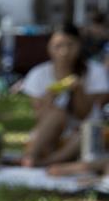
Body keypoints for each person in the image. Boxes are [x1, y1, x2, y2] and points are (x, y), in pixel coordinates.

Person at [20, 22, 109, 167]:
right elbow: (40, 119)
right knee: (57, 113)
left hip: (84, 135)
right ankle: (31, 157)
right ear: (49, 46)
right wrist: (49, 97)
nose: (64, 51)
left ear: (79, 45)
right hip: (50, 135)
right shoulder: (38, 74)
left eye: (70, 45)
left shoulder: (95, 72)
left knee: (84, 133)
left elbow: (84, 115)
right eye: (58, 45)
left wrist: (79, 91)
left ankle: (44, 163)